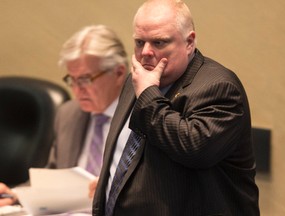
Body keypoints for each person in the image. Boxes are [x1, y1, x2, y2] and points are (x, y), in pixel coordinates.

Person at [92, 0, 260, 215]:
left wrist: (147, 95)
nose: (146, 52)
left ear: (189, 42)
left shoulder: (220, 87)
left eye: (159, 42)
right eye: (139, 42)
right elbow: (125, 156)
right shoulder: (137, 80)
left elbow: (194, 149)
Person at [0, 24, 128, 208]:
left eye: (85, 79)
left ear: (118, 73)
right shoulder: (69, 113)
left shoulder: (142, 116)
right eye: (72, 80)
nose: (77, 90)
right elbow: (53, 178)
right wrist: (15, 195)